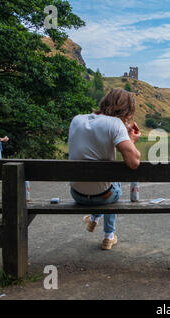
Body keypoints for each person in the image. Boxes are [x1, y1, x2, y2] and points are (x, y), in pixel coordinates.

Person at [68, 89, 141, 250]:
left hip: (77, 194)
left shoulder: (77, 120)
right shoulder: (115, 124)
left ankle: (94, 218)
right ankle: (109, 235)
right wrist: (131, 140)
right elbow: (134, 162)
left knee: (106, 181)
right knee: (114, 183)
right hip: (104, 197)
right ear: (127, 112)